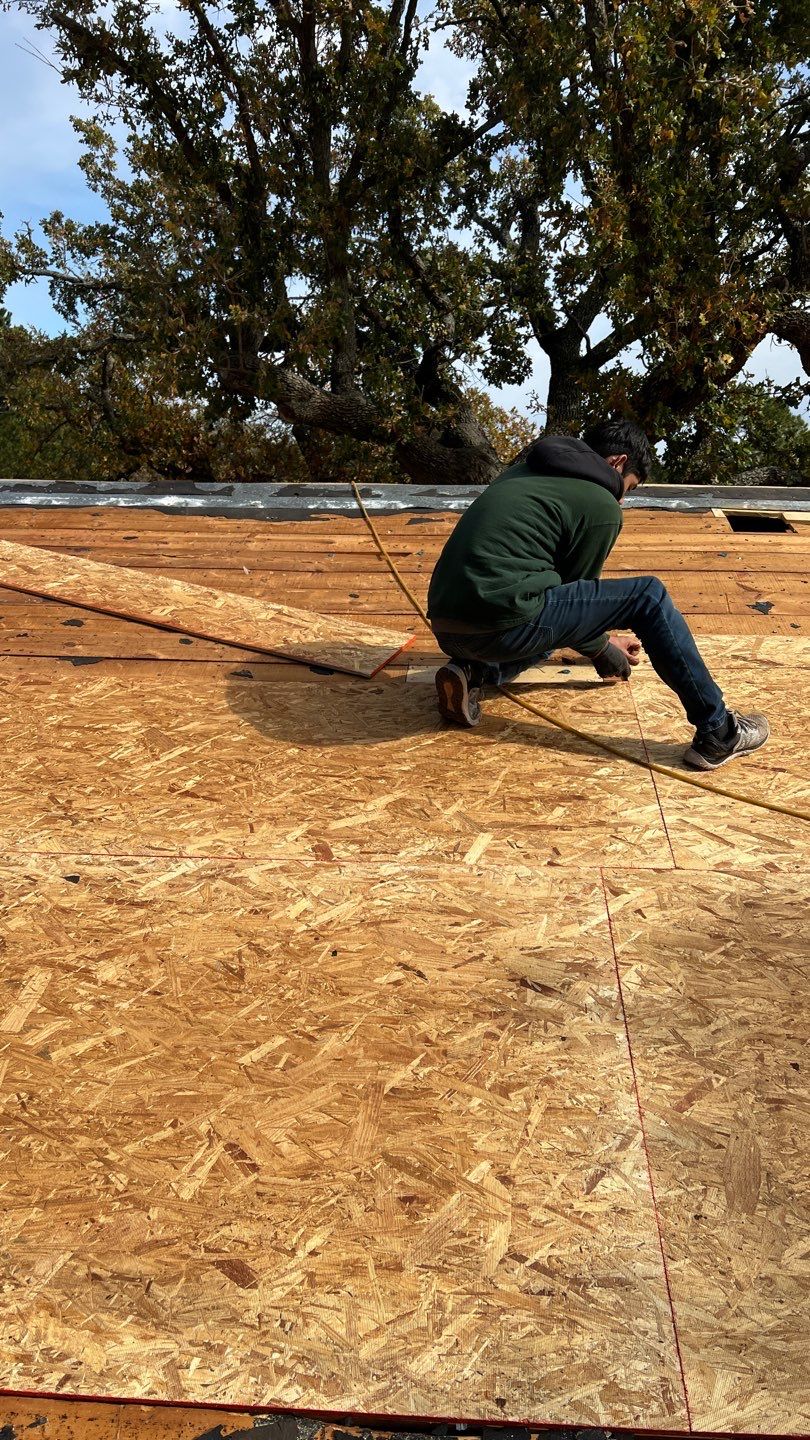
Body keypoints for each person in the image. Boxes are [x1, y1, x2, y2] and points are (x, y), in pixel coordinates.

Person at [427, 419, 769, 770]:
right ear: (617, 463)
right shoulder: (600, 502)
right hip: (502, 621)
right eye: (629, 488)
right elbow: (576, 596)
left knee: (540, 622)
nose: (621, 498)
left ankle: (474, 673)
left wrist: (604, 640)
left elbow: (566, 606)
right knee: (648, 595)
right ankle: (718, 732)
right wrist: (603, 651)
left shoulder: (521, 472)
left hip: (448, 628)